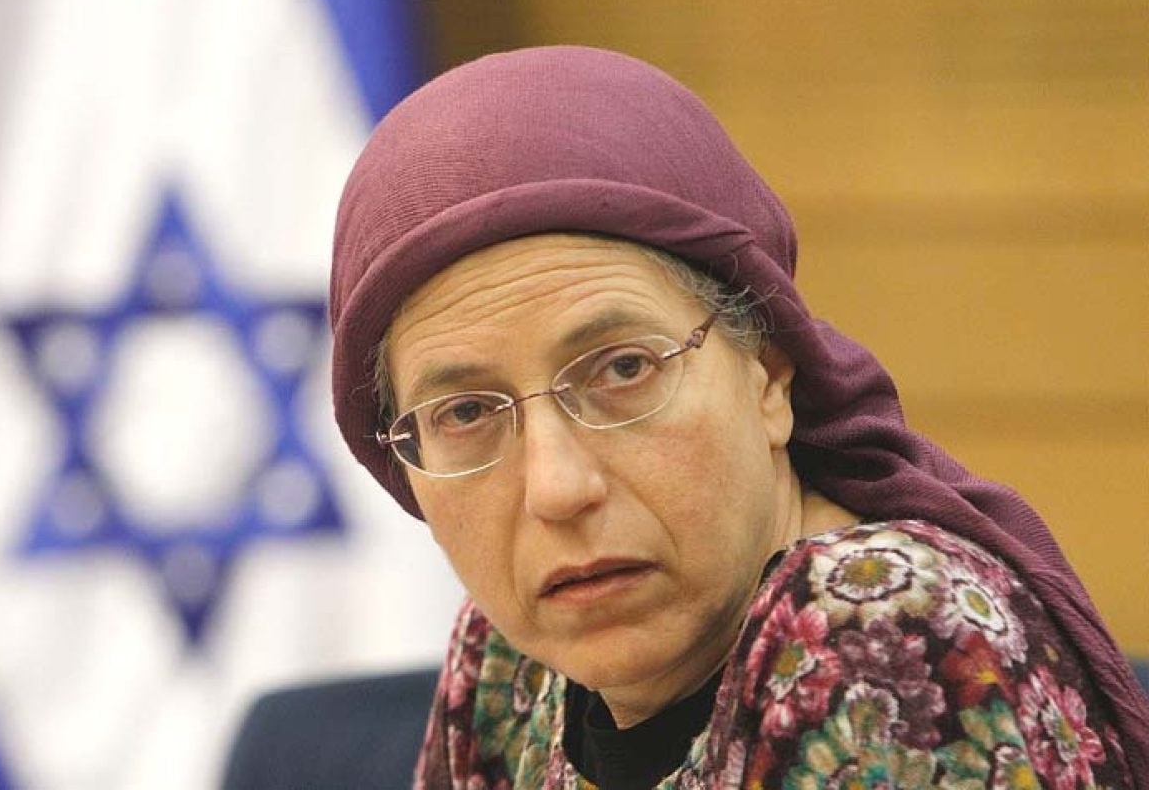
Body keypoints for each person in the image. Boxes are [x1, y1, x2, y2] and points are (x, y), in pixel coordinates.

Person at [326, 46, 1148, 788]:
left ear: (770, 375)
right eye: (467, 411)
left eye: (623, 369)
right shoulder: (512, 659)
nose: (557, 489)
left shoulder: (876, 628)